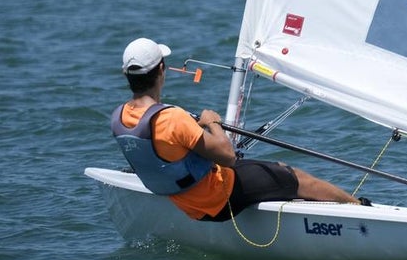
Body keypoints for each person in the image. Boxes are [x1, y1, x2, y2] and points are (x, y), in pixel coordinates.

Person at [111, 37, 369, 221]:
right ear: (161, 70)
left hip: (185, 203)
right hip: (219, 199)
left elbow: (162, 152)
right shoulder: (173, 118)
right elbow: (228, 156)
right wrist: (212, 122)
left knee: (266, 170)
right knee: (294, 176)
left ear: (126, 76)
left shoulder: (119, 118)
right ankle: (358, 207)